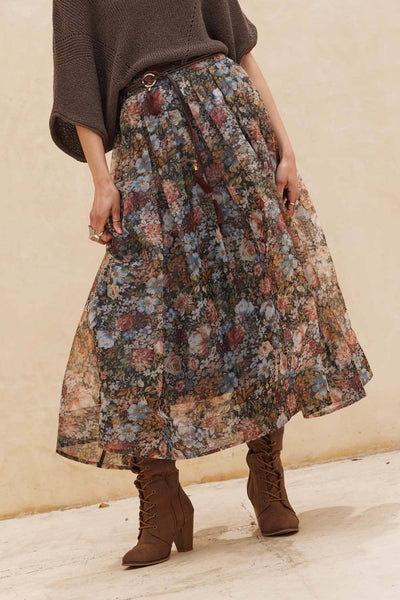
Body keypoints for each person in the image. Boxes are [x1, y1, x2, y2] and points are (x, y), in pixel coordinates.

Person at [49, 0, 373, 569]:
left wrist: (286, 148)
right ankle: (161, 498)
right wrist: (101, 180)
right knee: (133, 324)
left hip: (231, 119)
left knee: (259, 296)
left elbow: (240, 50)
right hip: (149, 137)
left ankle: (267, 477)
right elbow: (78, 82)